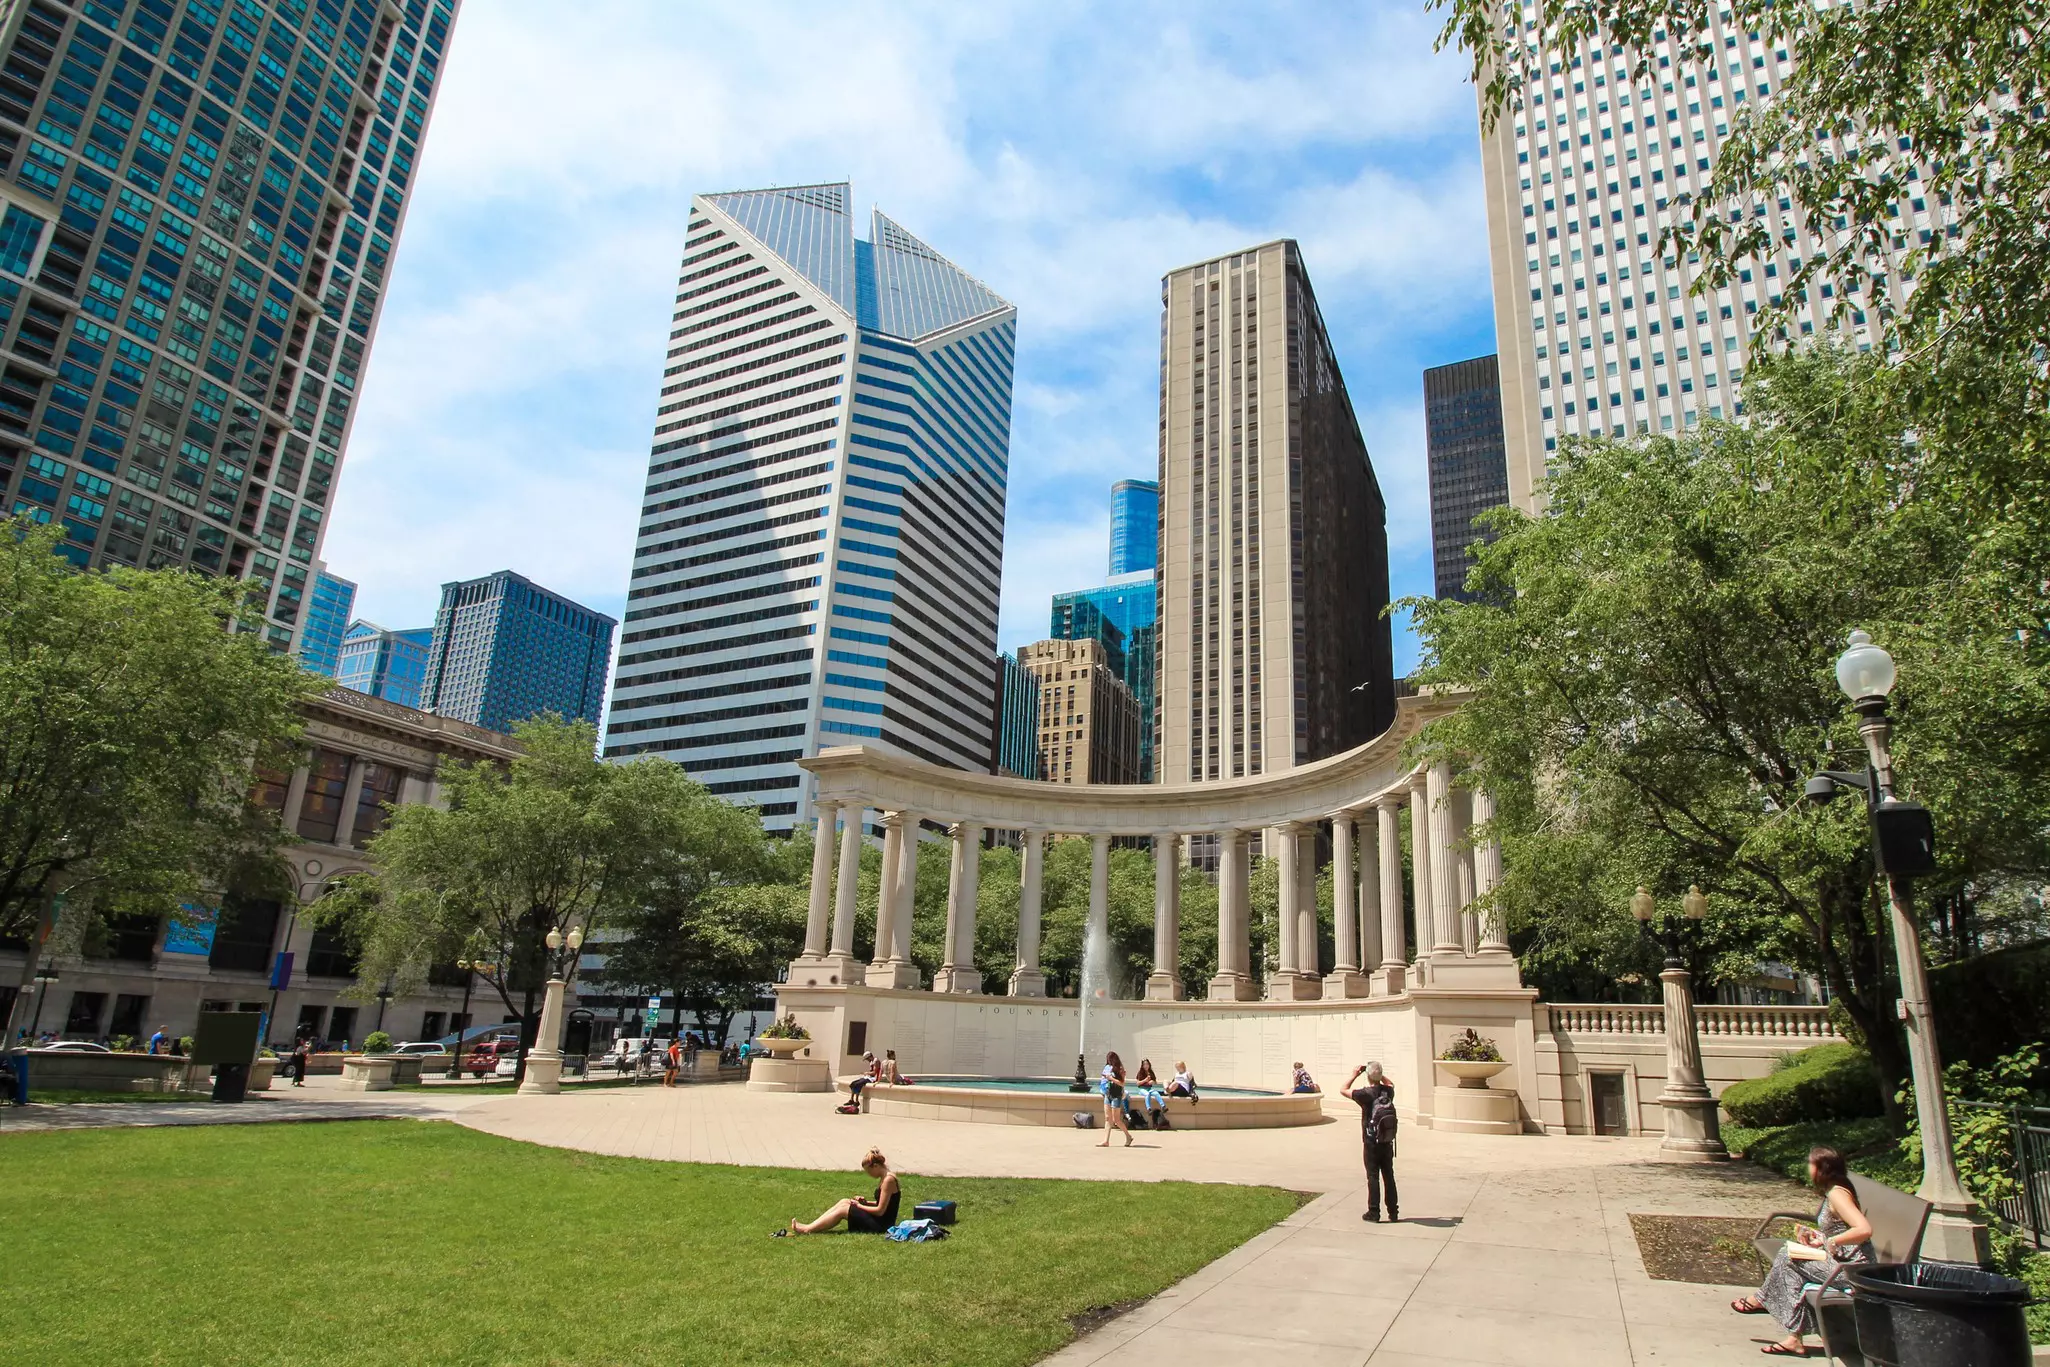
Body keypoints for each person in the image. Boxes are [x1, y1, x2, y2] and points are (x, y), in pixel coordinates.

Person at [1732, 1146, 1873, 1356]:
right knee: (1790, 1262)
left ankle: (1762, 1300)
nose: (1807, 1167)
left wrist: (1832, 1241)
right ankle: (1793, 1339)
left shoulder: (1837, 1194)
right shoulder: (1834, 1189)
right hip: (1840, 1262)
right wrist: (1820, 1239)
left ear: (1822, 1168)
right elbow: (1841, 1231)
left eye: (1810, 1164)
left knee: (1787, 1257)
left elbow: (1864, 1229)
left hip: (1852, 1271)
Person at [783, 1149, 901, 1235]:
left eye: (868, 1171)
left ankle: (807, 1230)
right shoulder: (885, 1177)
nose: (868, 1175)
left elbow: (880, 1211)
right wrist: (865, 1202)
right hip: (879, 1219)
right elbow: (881, 1204)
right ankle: (810, 1226)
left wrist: (860, 1206)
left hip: (881, 1225)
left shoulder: (888, 1180)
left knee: (844, 1210)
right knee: (845, 1201)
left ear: (875, 1166)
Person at [1345, 1062, 1398, 1222]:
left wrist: (1355, 1074)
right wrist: (1379, 1075)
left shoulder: (1365, 1094)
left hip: (1371, 1141)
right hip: (1386, 1141)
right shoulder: (1387, 1092)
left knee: (1373, 1176)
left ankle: (1374, 1212)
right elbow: (1390, 1084)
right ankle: (1393, 1212)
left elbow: (1343, 1089)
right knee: (1389, 1176)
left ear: (1368, 1076)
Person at [1097, 1051, 1133, 1147]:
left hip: (1116, 1095)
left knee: (1116, 1120)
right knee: (1107, 1118)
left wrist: (1111, 1078)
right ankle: (1106, 1141)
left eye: (1110, 1059)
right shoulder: (1107, 1068)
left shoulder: (1120, 1069)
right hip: (1108, 1094)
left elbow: (1122, 1083)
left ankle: (1128, 1136)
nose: (1108, 1061)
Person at [1132, 1058, 1167, 1129]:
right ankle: (1149, 1109)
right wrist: (1145, 1080)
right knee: (1147, 1095)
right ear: (1142, 1065)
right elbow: (1138, 1083)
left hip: (1150, 1088)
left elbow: (1155, 1081)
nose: (1146, 1066)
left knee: (1156, 1093)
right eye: (1144, 1064)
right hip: (1142, 1089)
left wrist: (1152, 1082)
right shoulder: (1140, 1073)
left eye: (1147, 1064)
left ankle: (1163, 1106)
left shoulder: (1151, 1072)